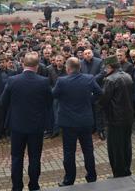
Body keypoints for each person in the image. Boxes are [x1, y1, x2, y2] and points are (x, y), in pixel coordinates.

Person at [1, 52, 53, 191]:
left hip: (17, 125)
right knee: (35, 157)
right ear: (37, 66)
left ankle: (17, 187)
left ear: (23, 64)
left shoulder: (12, 80)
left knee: (17, 158)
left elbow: (3, 101)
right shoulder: (44, 81)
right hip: (36, 126)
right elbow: (49, 102)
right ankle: (34, 185)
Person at [52, 57, 103, 186]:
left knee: (69, 152)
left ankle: (69, 180)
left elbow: (54, 95)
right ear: (79, 67)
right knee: (88, 150)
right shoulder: (89, 78)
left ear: (68, 69)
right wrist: (89, 101)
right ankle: (91, 176)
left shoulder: (61, 81)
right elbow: (99, 93)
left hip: (68, 122)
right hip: (85, 120)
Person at [100, 55, 134, 178]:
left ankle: (119, 173)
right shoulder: (127, 76)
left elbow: (104, 100)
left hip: (114, 119)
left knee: (115, 148)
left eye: (106, 68)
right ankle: (126, 169)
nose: (105, 70)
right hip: (128, 117)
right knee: (126, 145)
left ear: (110, 66)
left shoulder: (110, 80)